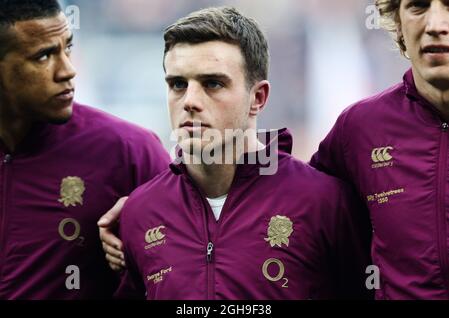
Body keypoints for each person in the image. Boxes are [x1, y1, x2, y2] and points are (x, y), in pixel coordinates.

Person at [112, 6, 372, 300]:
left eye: (213, 83)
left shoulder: (324, 203)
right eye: (178, 84)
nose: (190, 101)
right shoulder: (142, 210)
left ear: (257, 98)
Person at [0, 0, 170, 299]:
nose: (68, 70)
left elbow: (193, 270)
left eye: (67, 48)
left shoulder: (129, 151)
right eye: (43, 56)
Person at [310, 0, 449, 299]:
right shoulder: (359, 129)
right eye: (418, 6)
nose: (435, 25)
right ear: (398, 24)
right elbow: (304, 225)